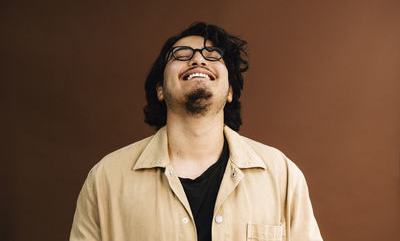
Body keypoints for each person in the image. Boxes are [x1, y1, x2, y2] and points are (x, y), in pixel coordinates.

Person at [70, 22, 323, 241]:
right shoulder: (106, 178)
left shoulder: (282, 175)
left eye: (213, 55)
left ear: (230, 91)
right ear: (160, 89)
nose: (198, 59)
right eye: (181, 54)